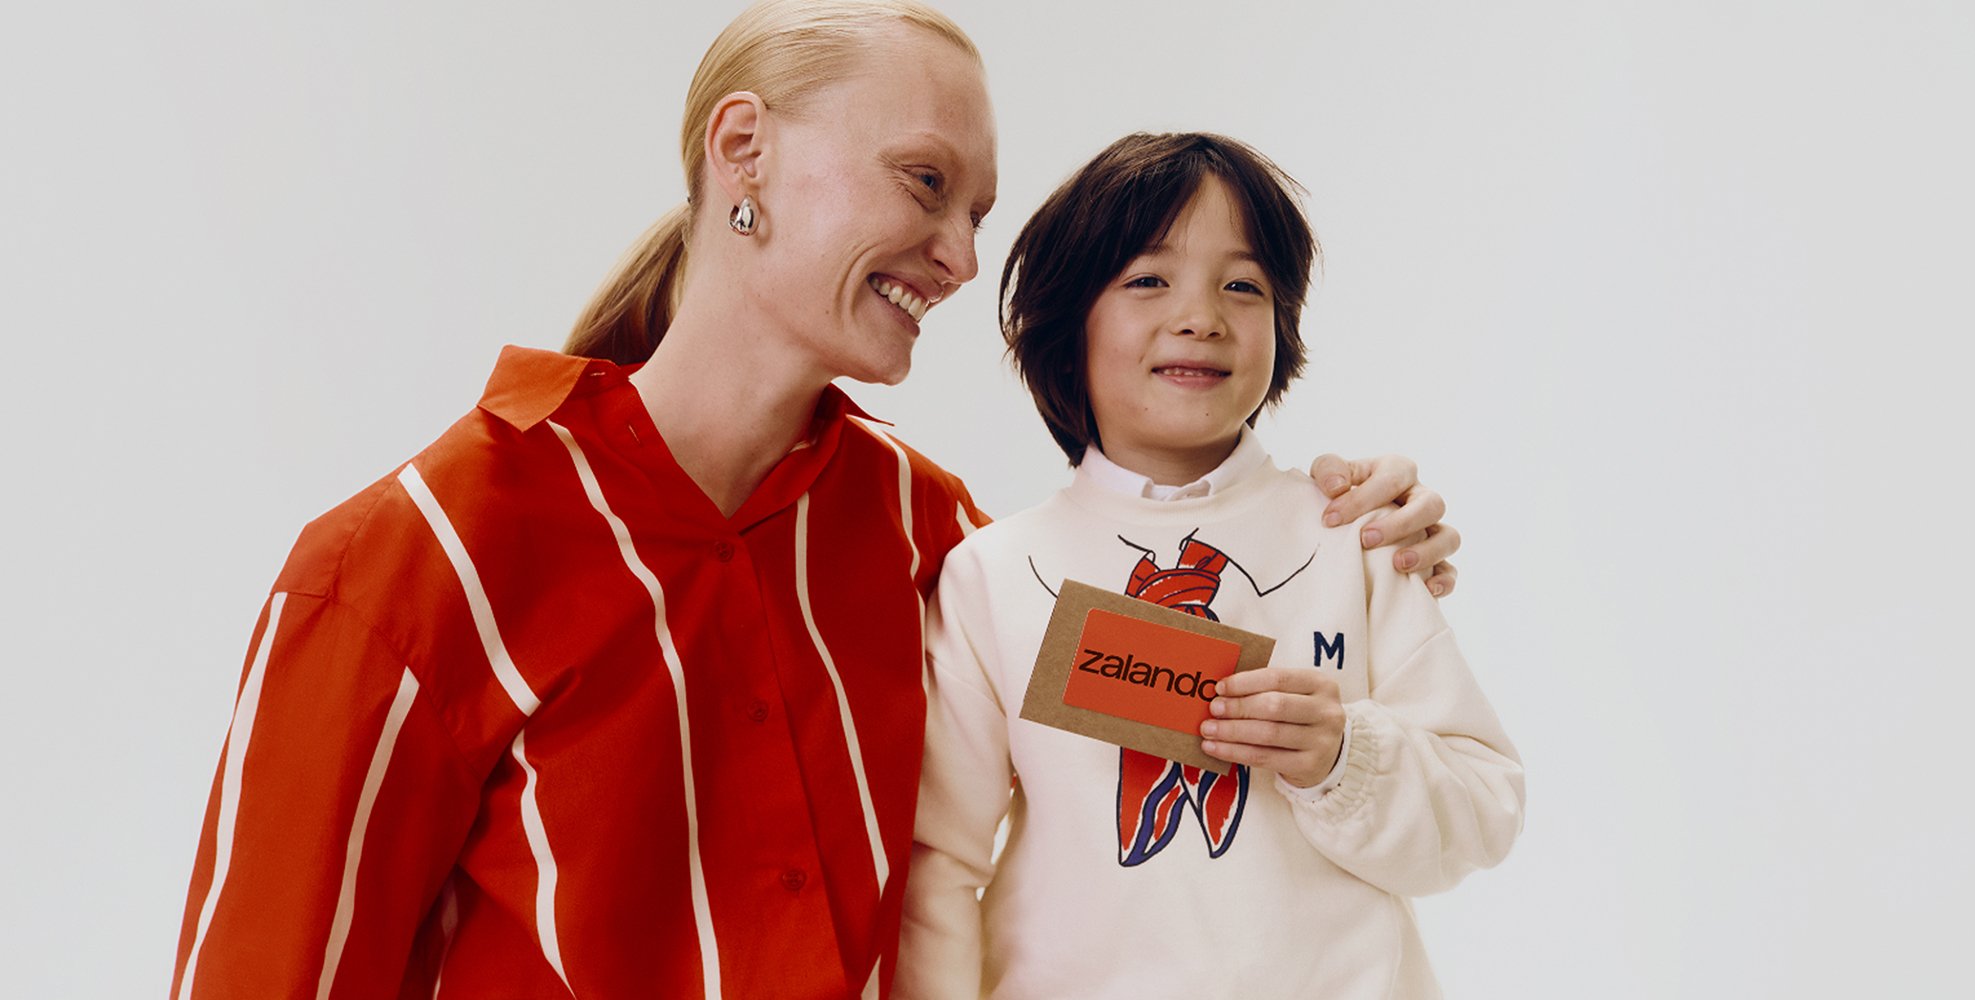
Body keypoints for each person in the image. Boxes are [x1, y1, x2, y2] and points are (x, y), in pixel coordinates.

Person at [167, 3, 1460, 998]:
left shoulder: (928, 539)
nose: (960, 257)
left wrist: (1331, 529)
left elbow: (1221, 704)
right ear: (745, 152)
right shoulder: (408, 566)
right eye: (921, 184)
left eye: (974, 212)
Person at [896, 133, 1523, 1000]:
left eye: (1243, 285)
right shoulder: (995, 576)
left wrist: (1344, 756)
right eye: (1147, 279)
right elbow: (938, 868)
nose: (1201, 316)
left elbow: (1483, 811)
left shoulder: (1357, 535)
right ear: (1063, 320)